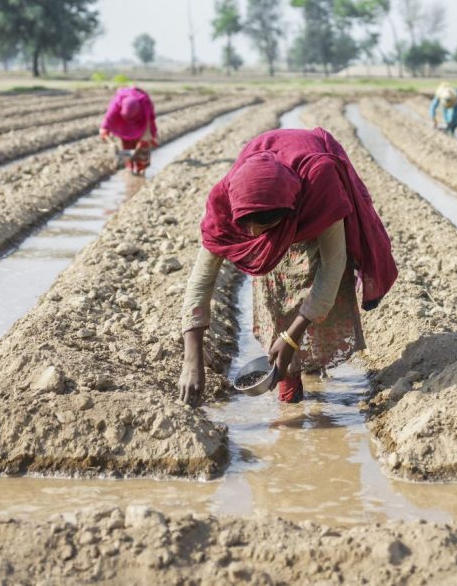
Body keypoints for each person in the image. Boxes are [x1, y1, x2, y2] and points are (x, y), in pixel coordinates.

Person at [178, 128, 398, 406]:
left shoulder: (321, 186)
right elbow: (201, 279)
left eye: (266, 227)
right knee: (275, 290)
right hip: (280, 205)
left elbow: (333, 265)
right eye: (248, 227)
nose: (255, 234)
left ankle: (312, 364)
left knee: (317, 284)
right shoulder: (226, 201)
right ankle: (289, 385)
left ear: (289, 213)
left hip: (310, 200)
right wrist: (192, 359)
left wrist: (293, 336)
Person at [99, 87, 158, 175]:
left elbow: (146, 135)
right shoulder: (115, 106)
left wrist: (137, 150)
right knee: (127, 146)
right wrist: (111, 143)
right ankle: (129, 169)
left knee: (143, 150)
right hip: (124, 126)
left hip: (141, 124)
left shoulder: (145, 106)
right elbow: (104, 129)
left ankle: (141, 170)